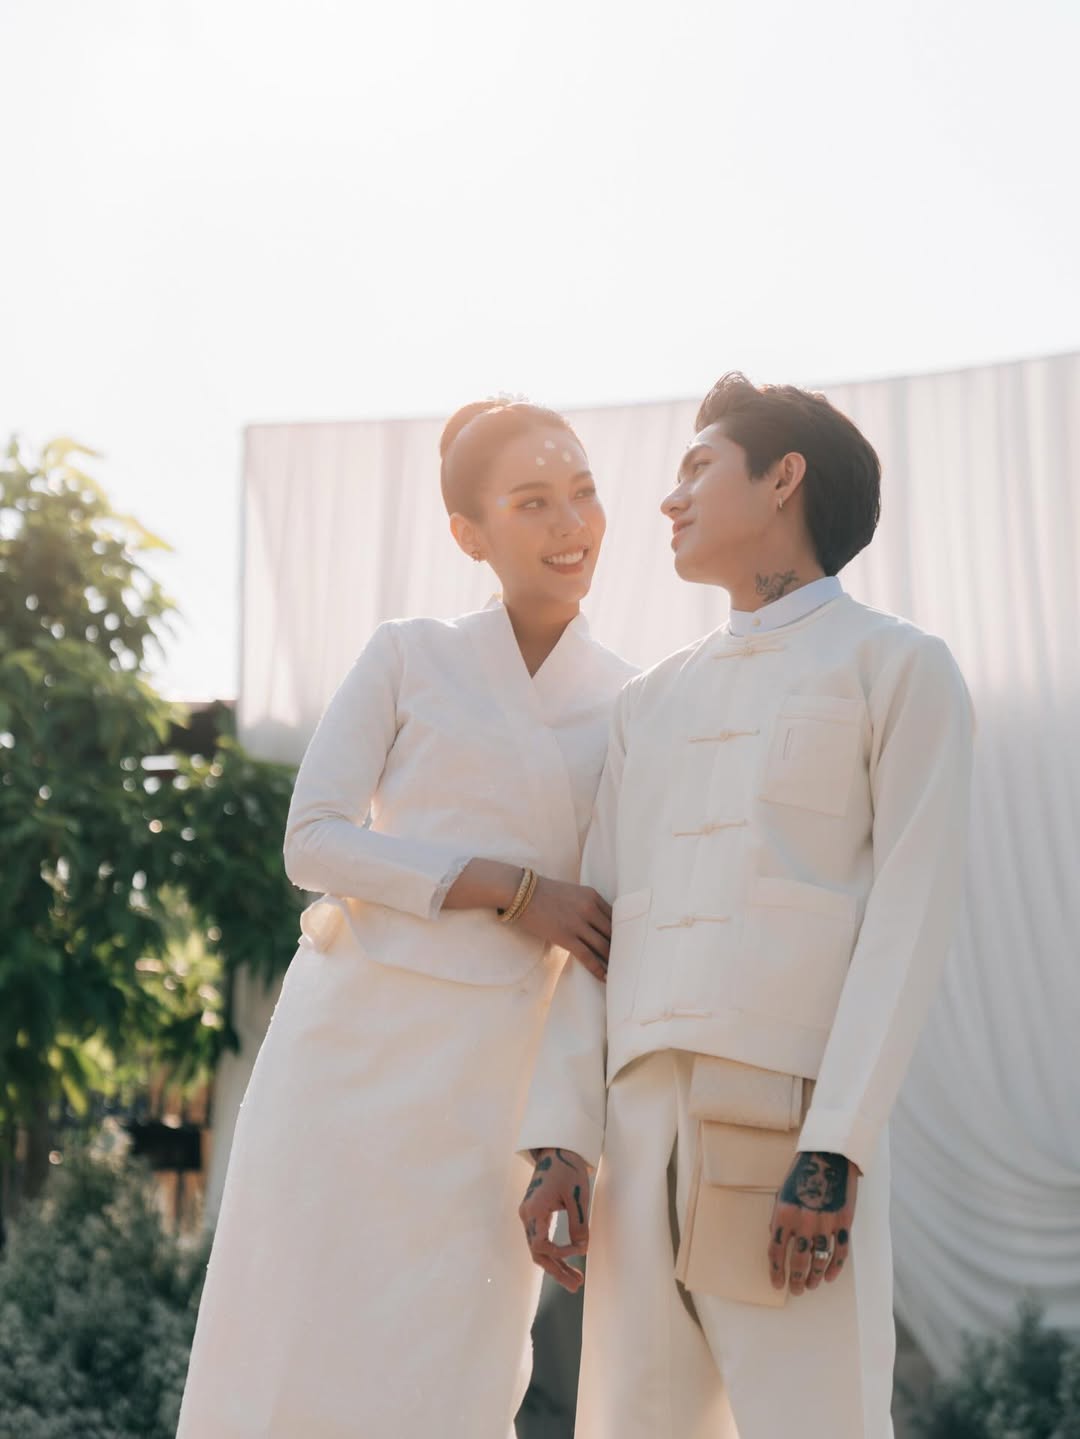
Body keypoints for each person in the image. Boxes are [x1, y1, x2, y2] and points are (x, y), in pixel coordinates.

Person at [517, 373, 975, 1438]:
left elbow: (907, 922)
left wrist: (837, 1145)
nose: (668, 498)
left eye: (697, 468)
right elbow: (597, 927)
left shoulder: (897, 668)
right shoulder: (648, 701)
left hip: (789, 1129)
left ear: (783, 478)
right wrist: (560, 1142)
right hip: (635, 1133)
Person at [177, 399, 636, 1439]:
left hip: (490, 1085)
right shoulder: (408, 653)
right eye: (532, 502)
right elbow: (313, 840)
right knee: (290, 1343)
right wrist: (511, 887)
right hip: (345, 1058)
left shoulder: (633, 701)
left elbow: (603, 936)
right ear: (469, 534)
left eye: (582, 493)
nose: (571, 523)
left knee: (451, 1372)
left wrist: (568, 1141)